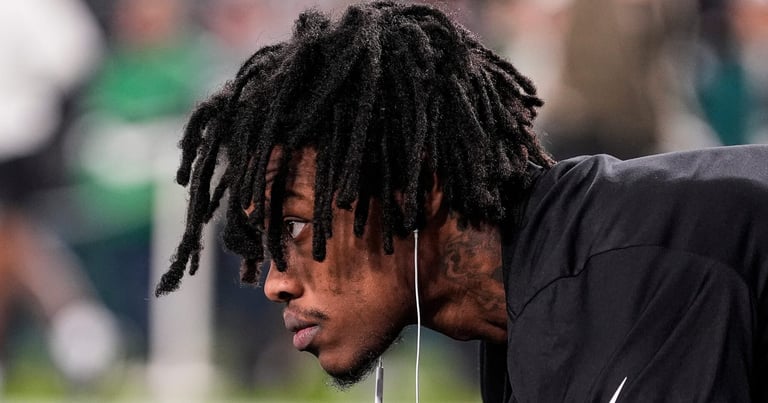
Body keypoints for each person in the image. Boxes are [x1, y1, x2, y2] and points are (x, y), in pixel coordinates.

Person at [155, 2, 768, 401]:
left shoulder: (623, 275)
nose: (275, 282)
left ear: (416, 188)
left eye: (294, 224)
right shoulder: (535, 308)